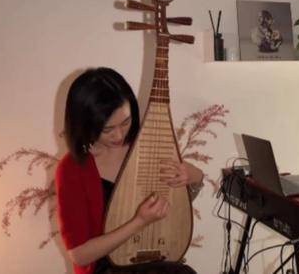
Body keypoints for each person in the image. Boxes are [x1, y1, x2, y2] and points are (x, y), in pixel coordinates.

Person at [55, 67, 204, 274]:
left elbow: (182, 196)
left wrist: (192, 174)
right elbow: (79, 255)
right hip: (107, 268)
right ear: (85, 124)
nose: (119, 135)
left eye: (125, 122)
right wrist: (139, 222)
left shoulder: (146, 146)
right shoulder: (72, 169)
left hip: (158, 263)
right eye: (108, 129)